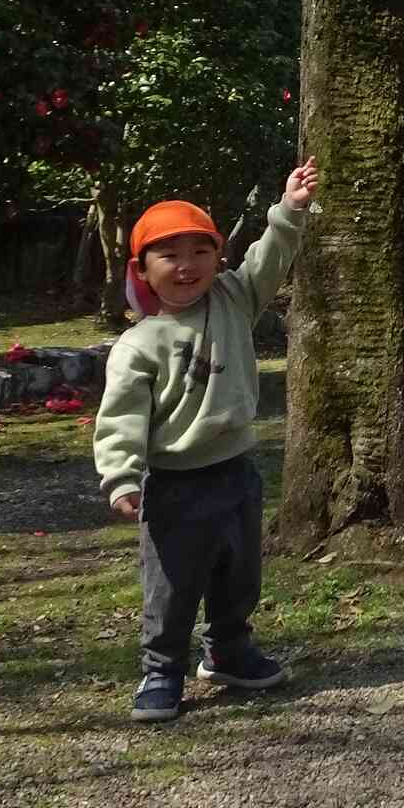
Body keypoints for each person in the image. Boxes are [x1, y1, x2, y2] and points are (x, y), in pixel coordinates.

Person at [94, 158, 318, 723]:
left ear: (218, 257)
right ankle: (161, 671)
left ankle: (228, 652)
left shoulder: (234, 299)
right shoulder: (139, 345)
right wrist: (121, 475)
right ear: (142, 270)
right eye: (169, 255)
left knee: (238, 574)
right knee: (171, 585)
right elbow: (121, 417)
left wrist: (290, 208)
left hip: (237, 471)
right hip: (175, 485)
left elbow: (270, 257)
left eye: (200, 251)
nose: (187, 265)